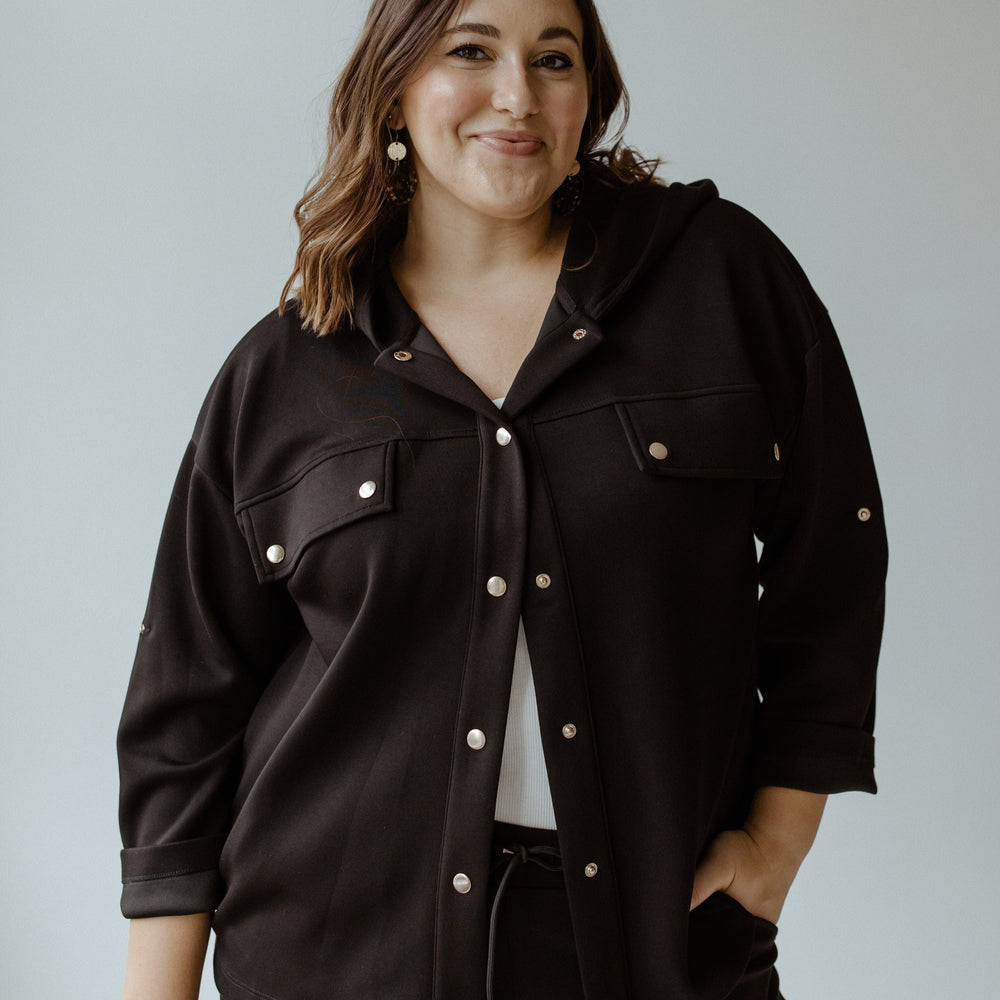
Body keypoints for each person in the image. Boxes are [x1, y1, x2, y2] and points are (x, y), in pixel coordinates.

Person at [117, 0, 888, 997]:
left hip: (654, 946)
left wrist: (778, 839)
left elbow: (832, 553)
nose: (516, 95)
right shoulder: (288, 369)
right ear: (394, 89)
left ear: (588, 96)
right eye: (471, 51)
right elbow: (187, 698)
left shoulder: (721, 280)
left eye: (553, 58)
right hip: (334, 950)